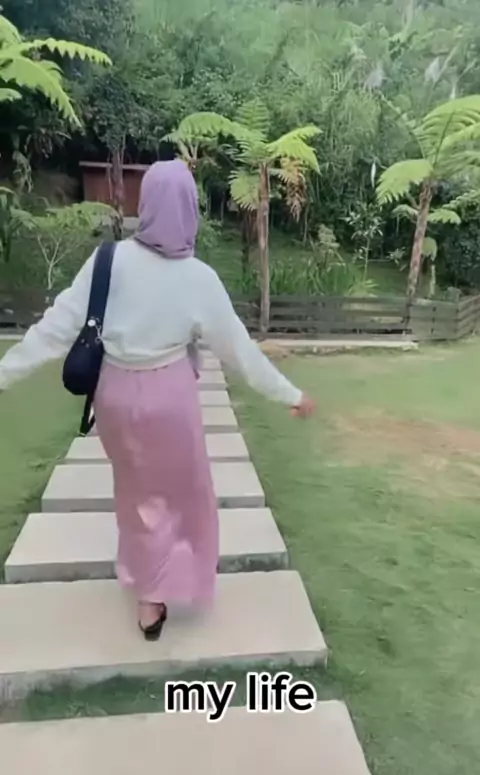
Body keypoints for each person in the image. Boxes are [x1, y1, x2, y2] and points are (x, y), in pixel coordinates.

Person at [0, 160, 315, 640]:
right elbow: (240, 352)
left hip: (114, 400)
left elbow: (53, 330)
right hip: (170, 400)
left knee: (136, 497)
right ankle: (165, 586)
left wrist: (3, 375)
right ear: (190, 209)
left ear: (144, 204)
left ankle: (148, 591)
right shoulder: (198, 278)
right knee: (187, 496)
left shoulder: (107, 261)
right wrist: (289, 393)